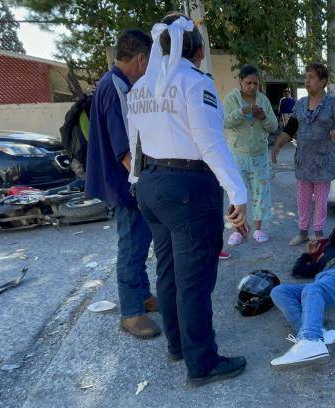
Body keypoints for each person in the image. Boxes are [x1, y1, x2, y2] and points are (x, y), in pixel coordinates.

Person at [127, 13, 249, 387]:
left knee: (167, 270)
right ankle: (202, 363)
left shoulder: (140, 88)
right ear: (195, 50)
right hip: (187, 189)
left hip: (149, 185)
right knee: (193, 280)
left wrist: (136, 180)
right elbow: (210, 144)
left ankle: (178, 345)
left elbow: (136, 141)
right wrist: (238, 192)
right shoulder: (196, 83)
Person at [84, 29, 160, 338]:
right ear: (141, 58)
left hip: (123, 181)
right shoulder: (115, 87)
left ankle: (141, 294)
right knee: (131, 245)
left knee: (140, 242)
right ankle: (131, 313)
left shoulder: (114, 83)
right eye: (149, 61)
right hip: (125, 183)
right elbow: (124, 148)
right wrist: (143, 182)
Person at [270, 220, 335, 368]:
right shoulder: (322, 259)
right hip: (327, 280)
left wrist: (325, 243)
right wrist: (308, 254)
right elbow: (298, 271)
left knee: (313, 289)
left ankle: (310, 340)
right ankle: (318, 335)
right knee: (279, 291)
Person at [271, 63, 335, 246]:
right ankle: (303, 232)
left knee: (321, 201)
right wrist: (277, 145)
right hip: (303, 161)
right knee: (303, 199)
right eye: (306, 77)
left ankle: (319, 233)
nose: (307, 80)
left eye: (312, 77)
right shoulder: (300, 104)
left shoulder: (333, 103)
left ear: (322, 82)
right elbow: (290, 129)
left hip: (323, 161)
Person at [223, 64, 279, 245]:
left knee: (259, 192)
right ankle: (237, 231)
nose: (253, 87)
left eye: (256, 83)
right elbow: (225, 122)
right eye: (249, 83)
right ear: (240, 81)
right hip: (237, 153)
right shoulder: (232, 99)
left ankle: (258, 229)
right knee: (236, 193)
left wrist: (263, 117)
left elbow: (274, 126)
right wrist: (243, 111)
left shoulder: (262, 100)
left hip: (259, 154)